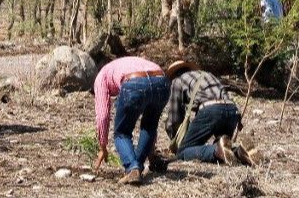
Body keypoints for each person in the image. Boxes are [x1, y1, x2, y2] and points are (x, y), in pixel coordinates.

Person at [93, 55, 170, 185]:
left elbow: (103, 115)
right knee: (149, 126)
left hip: (134, 83)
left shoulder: (101, 76)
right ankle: (136, 168)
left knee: (121, 132)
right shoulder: (125, 63)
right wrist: (150, 151)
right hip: (161, 81)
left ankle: (132, 167)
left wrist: (102, 146)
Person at [162, 60, 252, 166]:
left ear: (174, 74)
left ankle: (217, 150)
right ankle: (239, 152)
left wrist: (175, 140)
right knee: (224, 149)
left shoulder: (177, 81)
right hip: (233, 111)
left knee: (184, 151)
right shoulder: (208, 75)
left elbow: (174, 118)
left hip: (212, 111)